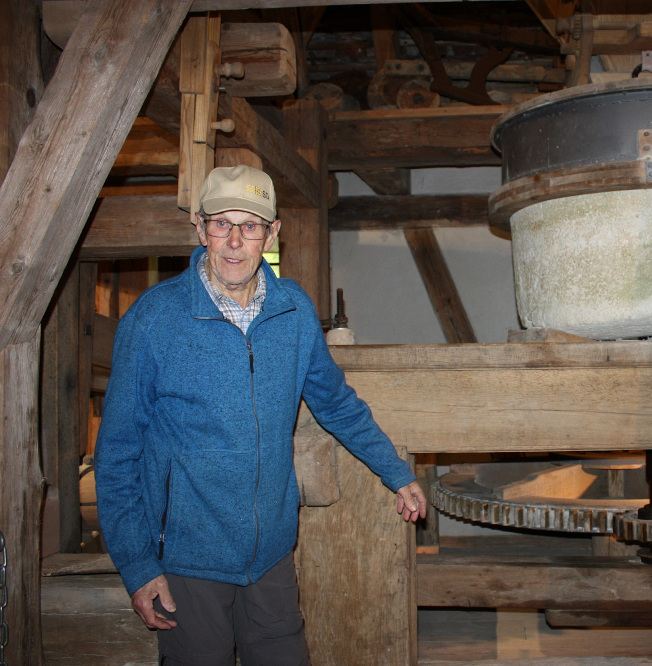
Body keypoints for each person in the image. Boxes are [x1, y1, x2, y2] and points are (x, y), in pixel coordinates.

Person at [95, 165, 427, 665]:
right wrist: (138, 565)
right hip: (189, 557)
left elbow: (335, 402)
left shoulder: (292, 311)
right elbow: (117, 454)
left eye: (249, 226)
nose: (233, 241)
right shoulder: (153, 320)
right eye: (220, 224)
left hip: (271, 551)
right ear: (199, 228)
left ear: (272, 233)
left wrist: (395, 472)